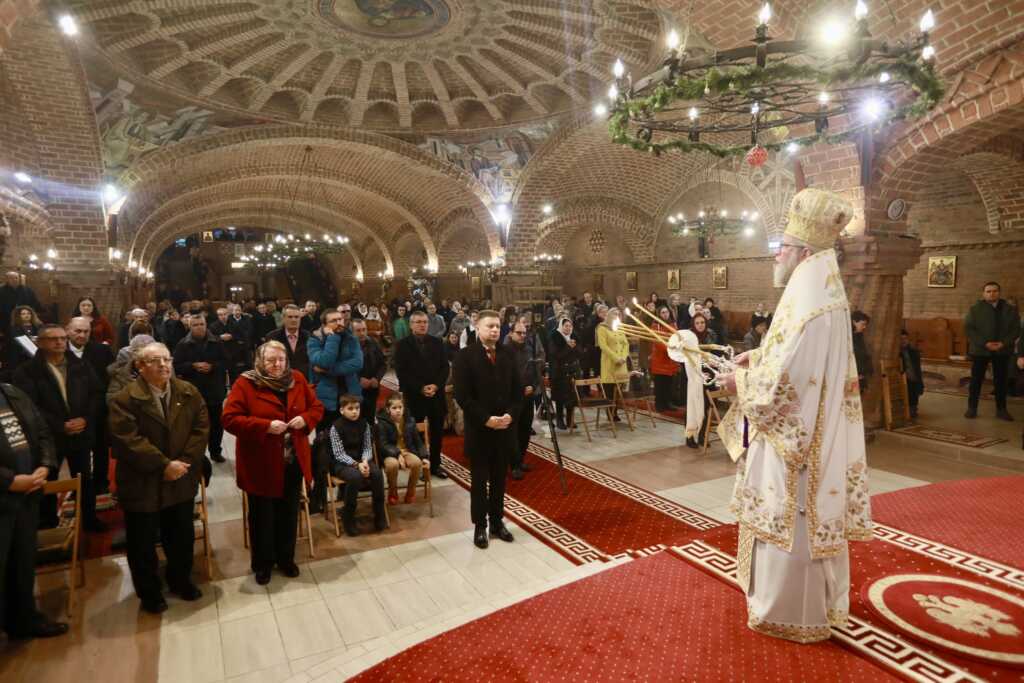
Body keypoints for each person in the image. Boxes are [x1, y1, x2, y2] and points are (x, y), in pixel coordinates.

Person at [716, 188, 872, 644]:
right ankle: (793, 603)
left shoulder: (810, 299)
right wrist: (756, 357)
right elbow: (790, 357)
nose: (776, 256)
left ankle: (792, 611)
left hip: (797, 442)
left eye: (780, 248)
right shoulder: (817, 293)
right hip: (805, 432)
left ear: (803, 252)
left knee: (793, 519)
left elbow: (788, 381)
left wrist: (739, 385)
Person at [108, 342, 210, 614]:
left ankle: (181, 580)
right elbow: (127, 440)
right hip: (143, 481)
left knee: (180, 535)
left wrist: (184, 463)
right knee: (142, 543)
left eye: (167, 359)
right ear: (140, 367)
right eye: (155, 361)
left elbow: (201, 429)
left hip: (181, 478)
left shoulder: (188, 392)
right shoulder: (124, 399)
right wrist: (163, 464)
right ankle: (150, 593)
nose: (164, 365)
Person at [222, 341, 323, 584]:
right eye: (271, 360)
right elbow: (229, 419)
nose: (277, 365)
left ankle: (286, 558)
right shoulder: (245, 383)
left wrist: (306, 419)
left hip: (292, 460)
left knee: (289, 513)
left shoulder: (297, 378)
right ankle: (263, 564)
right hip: (261, 463)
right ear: (259, 361)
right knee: (262, 516)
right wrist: (265, 426)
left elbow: (317, 407)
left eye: (281, 360)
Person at [14, 324, 104, 532]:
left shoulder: (80, 365)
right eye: (53, 339)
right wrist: (59, 425)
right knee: (48, 479)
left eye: (63, 338)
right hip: (49, 437)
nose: (60, 342)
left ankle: (89, 519)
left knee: (84, 479)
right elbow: (29, 406)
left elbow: (97, 394)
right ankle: (48, 521)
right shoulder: (27, 371)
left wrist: (85, 419)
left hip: (80, 432)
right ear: (39, 343)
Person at [0, 380, 68, 640]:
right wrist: (10, 481)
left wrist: (45, 465)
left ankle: (24, 620)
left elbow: (42, 431)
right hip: (5, 496)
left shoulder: (11, 391)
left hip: (27, 495)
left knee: (22, 564)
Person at [453, 310, 521, 549]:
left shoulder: (508, 354)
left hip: (504, 428)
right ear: (477, 327)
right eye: (490, 326)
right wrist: (486, 419)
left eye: (497, 326)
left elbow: (517, 391)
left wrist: (510, 415)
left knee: (500, 480)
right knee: (480, 481)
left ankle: (497, 522)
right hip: (480, 428)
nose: (494, 330)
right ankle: (480, 525)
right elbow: (462, 395)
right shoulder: (465, 357)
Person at [307, 309, 363, 511]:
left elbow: (357, 363)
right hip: (328, 404)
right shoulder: (314, 340)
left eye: (341, 319)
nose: (339, 323)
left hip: (350, 400)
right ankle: (319, 495)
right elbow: (323, 360)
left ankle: (348, 492)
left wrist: (328, 371)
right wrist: (331, 340)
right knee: (324, 450)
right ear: (324, 324)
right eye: (333, 320)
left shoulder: (350, 337)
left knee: (350, 446)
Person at [393, 310, 449, 480]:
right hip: (415, 394)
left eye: (424, 322)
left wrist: (436, 385)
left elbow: (444, 367)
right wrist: (420, 387)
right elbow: (402, 372)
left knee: (437, 431)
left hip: (436, 394)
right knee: (415, 433)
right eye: (418, 322)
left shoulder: (437, 342)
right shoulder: (402, 345)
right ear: (411, 325)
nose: (422, 325)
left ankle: (436, 464)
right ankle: (421, 465)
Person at [172, 314, 227, 466]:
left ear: (206, 324)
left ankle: (216, 451)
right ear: (190, 327)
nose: (199, 327)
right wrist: (193, 366)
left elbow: (226, 362)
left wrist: (213, 366)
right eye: (195, 325)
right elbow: (176, 366)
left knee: (216, 423)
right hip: (194, 391)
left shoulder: (216, 342)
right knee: (195, 425)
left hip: (214, 389)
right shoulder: (183, 344)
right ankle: (197, 454)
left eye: (202, 324)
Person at [67, 317, 114, 492]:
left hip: (99, 408)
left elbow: (112, 378)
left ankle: (102, 484)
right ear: (68, 330)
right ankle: (79, 488)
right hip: (73, 412)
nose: (82, 335)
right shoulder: (60, 352)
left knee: (101, 448)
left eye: (86, 331)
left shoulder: (102, 350)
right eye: (77, 331)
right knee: (77, 455)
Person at [326, 395, 385, 536]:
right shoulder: (336, 427)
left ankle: (379, 513)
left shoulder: (364, 424)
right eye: (350, 409)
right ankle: (349, 517)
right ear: (342, 410)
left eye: (357, 408)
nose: (354, 412)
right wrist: (356, 465)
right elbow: (338, 453)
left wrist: (364, 461)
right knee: (355, 477)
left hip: (361, 460)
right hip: (342, 463)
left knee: (377, 474)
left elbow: (367, 447)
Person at [964, 282, 1018, 421]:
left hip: (1002, 350)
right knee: (976, 380)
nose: (991, 293)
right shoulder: (975, 309)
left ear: (999, 292)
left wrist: (1003, 343)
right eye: (988, 291)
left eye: (994, 291)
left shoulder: (1010, 309)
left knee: (1001, 381)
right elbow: (969, 329)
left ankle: (1001, 410)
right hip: (981, 350)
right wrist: (985, 343)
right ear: (983, 293)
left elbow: (1015, 329)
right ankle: (972, 408)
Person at [504, 320, 540, 480]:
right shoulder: (504, 351)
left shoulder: (528, 349)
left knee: (525, 430)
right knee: (512, 432)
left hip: (528, 395)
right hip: (512, 398)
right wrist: (520, 389)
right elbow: (505, 377)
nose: (522, 336)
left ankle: (520, 460)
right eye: (519, 333)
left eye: (524, 333)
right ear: (511, 333)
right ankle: (514, 464)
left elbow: (534, 370)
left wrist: (533, 385)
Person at [376, 393, 424, 506]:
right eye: (394, 408)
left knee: (417, 463)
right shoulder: (382, 422)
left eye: (400, 407)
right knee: (392, 465)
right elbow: (383, 444)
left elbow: (418, 441)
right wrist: (397, 454)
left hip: (407, 451)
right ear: (388, 409)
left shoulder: (409, 420)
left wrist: (424, 456)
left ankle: (411, 491)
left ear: (404, 408)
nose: (398, 410)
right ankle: (393, 492)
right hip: (389, 453)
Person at [596, 307, 629, 422]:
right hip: (610, 363)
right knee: (610, 390)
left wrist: (623, 357)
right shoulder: (602, 328)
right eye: (614, 314)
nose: (617, 316)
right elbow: (603, 346)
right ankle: (611, 413)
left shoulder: (620, 327)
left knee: (619, 390)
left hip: (621, 364)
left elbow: (626, 344)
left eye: (618, 314)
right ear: (609, 315)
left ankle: (616, 411)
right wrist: (616, 358)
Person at [548, 317, 581, 430]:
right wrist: (568, 347)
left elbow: (580, 352)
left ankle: (570, 420)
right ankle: (559, 420)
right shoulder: (555, 336)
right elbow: (556, 355)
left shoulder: (574, 336)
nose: (568, 328)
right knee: (560, 397)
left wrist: (575, 347)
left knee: (572, 397)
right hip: (559, 372)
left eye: (570, 326)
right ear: (561, 326)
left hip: (573, 371)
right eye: (566, 326)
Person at [352, 319, 386, 424]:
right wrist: (358, 379)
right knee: (356, 420)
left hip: (373, 387)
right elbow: (345, 368)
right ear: (352, 332)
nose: (362, 333)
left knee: (370, 418)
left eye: (364, 330)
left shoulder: (373, 342)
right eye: (358, 330)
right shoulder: (347, 346)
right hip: (355, 390)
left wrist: (377, 378)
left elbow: (382, 364)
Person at [265, 304, 311, 378]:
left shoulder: (308, 336)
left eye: (296, 317)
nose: (294, 320)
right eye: (290, 317)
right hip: (281, 379)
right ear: (283, 318)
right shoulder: (272, 337)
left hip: (304, 379)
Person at [649, 306, 678, 413]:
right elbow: (658, 342)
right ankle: (659, 404)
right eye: (663, 312)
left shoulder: (673, 324)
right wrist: (670, 349)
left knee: (669, 384)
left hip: (670, 360)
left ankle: (668, 403)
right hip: (660, 359)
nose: (665, 314)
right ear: (659, 314)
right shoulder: (655, 326)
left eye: (666, 312)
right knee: (660, 384)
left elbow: (677, 337)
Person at [0, 272, 42, 337]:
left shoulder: (27, 290)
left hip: (26, 319)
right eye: (11, 278)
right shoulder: (1, 291)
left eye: (16, 278)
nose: (14, 280)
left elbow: (35, 302)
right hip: (7, 320)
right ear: (7, 279)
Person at [5, 305, 42, 379]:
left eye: (28, 313)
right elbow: (14, 342)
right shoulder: (14, 328)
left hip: (37, 354)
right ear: (18, 316)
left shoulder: (39, 326)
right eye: (23, 314)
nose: (26, 315)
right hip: (20, 356)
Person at [899, 330, 924, 419]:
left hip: (913, 377)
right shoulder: (897, 353)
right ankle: (907, 410)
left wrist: (920, 382)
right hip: (903, 378)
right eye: (901, 339)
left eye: (905, 338)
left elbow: (917, 369)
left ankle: (913, 409)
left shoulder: (913, 351)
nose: (903, 341)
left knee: (914, 391)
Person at [851, 311, 873, 394]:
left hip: (860, 377)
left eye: (865, 325)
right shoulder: (848, 338)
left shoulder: (859, 336)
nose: (864, 327)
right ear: (854, 322)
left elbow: (864, 355)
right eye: (862, 324)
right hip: (852, 377)